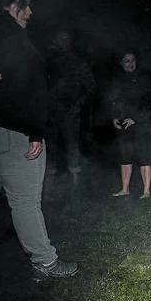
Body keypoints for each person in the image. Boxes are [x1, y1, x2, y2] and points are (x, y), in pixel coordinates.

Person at [0, 0, 78, 285]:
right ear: (10, 6)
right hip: (5, 130)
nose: (30, 12)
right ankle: (45, 262)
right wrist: (35, 132)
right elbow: (32, 86)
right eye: (26, 5)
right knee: (24, 200)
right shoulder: (13, 40)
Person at [45, 30, 96, 205]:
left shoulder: (78, 63)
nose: (62, 42)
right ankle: (48, 188)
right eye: (59, 39)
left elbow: (90, 87)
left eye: (65, 39)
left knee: (72, 146)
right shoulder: (49, 62)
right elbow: (42, 85)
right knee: (50, 147)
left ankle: (76, 187)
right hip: (52, 112)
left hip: (71, 112)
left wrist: (78, 105)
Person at [109, 52, 151, 199]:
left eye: (132, 60)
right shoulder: (118, 81)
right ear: (122, 63)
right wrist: (114, 117)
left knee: (143, 156)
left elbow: (149, 103)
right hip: (123, 126)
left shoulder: (143, 80)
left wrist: (135, 119)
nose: (130, 63)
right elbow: (114, 102)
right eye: (127, 61)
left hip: (140, 125)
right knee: (125, 157)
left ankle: (146, 191)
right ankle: (125, 189)